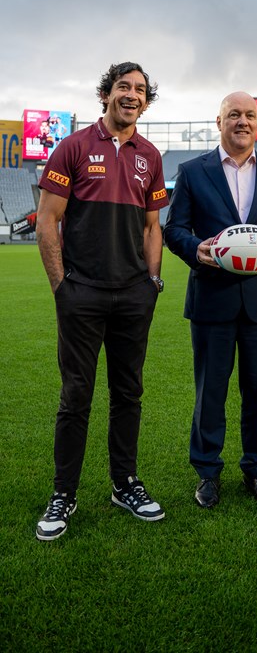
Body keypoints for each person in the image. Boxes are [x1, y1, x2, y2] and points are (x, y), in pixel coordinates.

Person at [35, 61, 168, 541]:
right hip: (82, 293)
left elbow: (154, 227)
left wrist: (151, 283)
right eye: (122, 87)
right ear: (106, 94)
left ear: (146, 101)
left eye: (139, 90)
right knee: (76, 396)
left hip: (133, 294)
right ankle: (64, 493)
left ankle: (124, 483)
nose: (131, 95)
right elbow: (48, 221)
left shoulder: (149, 155)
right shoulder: (72, 147)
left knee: (128, 393)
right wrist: (61, 286)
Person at [164, 91, 257, 509]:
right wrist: (196, 249)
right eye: (233, 115)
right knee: (210, 391)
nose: (241, 121)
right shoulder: (192, 171)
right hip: (212, 298)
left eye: (249, 115)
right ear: (219, 120)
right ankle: (207, 473)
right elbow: (176, 228)